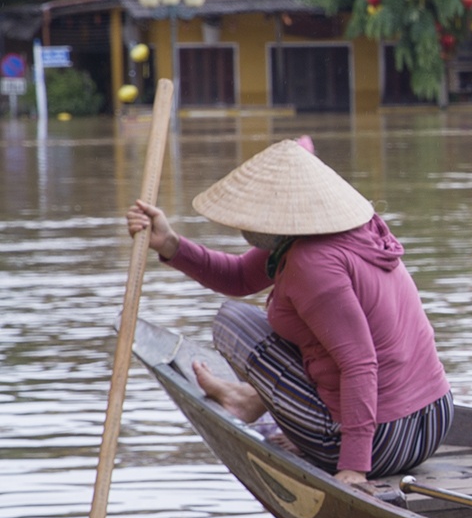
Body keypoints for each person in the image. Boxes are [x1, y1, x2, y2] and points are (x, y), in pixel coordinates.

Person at [126, 138, 450, 484]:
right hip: (435, 419)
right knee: (297, 323)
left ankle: (261, 405)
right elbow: (238, 276)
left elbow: (360, 363)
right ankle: (251, 399)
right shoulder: (341, 230)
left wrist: (354, 467)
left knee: (232, 322)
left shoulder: (312, 263)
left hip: (385, 444)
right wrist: (171, 244)